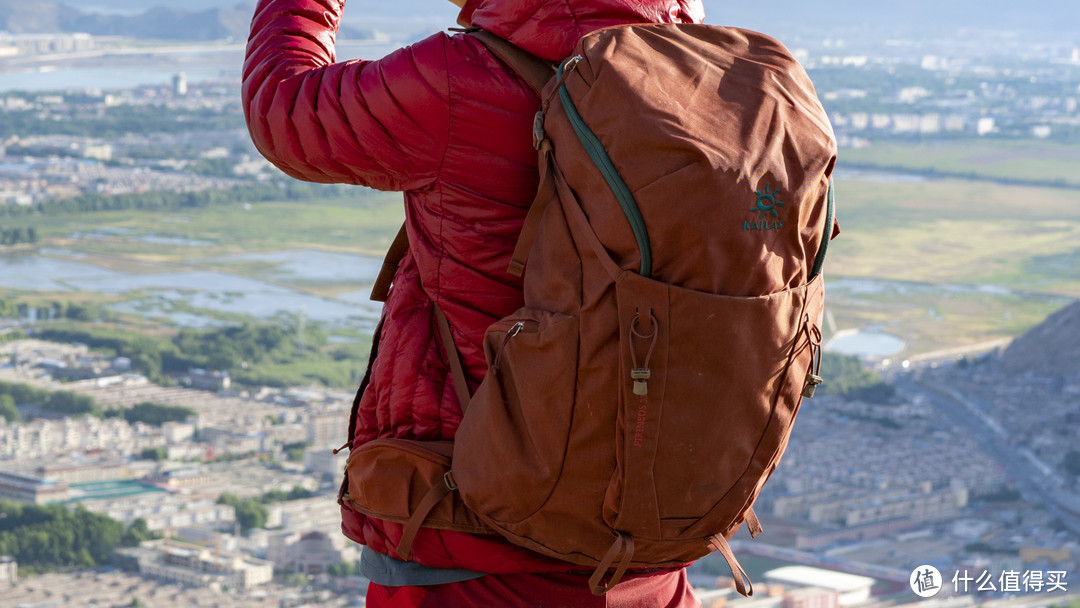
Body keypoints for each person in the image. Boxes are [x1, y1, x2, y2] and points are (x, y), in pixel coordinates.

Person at [243, 0, 705, 605]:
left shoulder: (463, 79)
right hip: (649, 538)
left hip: (474, 543)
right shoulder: (715, 83)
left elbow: (285, 109)